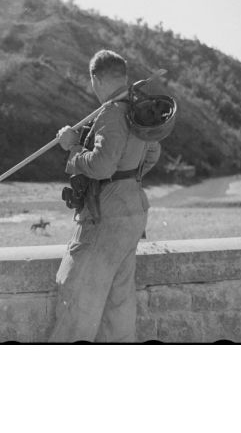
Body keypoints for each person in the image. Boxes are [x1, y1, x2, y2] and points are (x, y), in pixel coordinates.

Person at [49, 49, 161, 343]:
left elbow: (101, 166)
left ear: (96, 78)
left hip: (106, 216)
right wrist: (127, 177)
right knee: (118, 304)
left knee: (76, 298)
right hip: (133, 210)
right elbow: (152, 154)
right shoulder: (138, 110)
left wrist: (72, 147)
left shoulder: (111, 113)